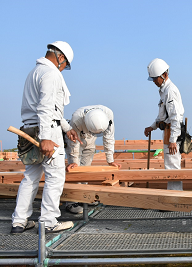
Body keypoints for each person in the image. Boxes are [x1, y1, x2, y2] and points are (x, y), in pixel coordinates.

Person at [11, 41, 81, 234]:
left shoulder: (35, 72)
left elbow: (54, 109)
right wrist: (46, 138)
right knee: (55, 177)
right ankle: (48, 222)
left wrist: (67, 128)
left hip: (30, 130)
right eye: (65, 64)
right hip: (46, 132)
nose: (64, 68)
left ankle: (19, 221)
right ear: (60, 57)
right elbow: (46, 108)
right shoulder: (51, 74)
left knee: (30, 177)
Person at [64, 105, 121, 213]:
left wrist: (110, 160)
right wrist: (74, 161)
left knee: (86, 169)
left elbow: (108, 138)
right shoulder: (77, 119)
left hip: (90, 140)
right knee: (75, 171)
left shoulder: (108, 115)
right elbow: (73, 143)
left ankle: (84, 197)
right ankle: (71, 202)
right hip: (76, 141)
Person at [144, 58, 184, 191]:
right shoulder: (164, 90)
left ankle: (175, 197)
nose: (154, 81)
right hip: (168, 132)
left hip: (172, 134)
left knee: (172, 167)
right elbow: (163, 115)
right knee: (170, 166)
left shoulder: (170, 91)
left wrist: (173, 140)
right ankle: (173, 196)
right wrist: (152, 126)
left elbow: (175, 117)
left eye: (156, 78)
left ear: (164, 75)